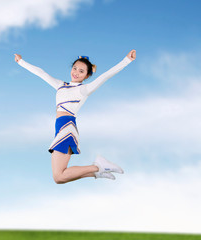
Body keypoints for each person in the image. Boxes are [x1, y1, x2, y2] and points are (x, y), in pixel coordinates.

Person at [14, 50, 136, 184]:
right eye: (75, 68)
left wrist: (127, 60)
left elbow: (106, 76)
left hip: (67, 126)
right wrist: (21, 62)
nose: (76, 72)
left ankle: (98, 166)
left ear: (87, 75)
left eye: (81, 71)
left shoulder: (84, 89)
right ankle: (96, 172)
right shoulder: (61, 85)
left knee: (58, 176)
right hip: (60, 128)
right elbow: (41, 73)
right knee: (59, 177)